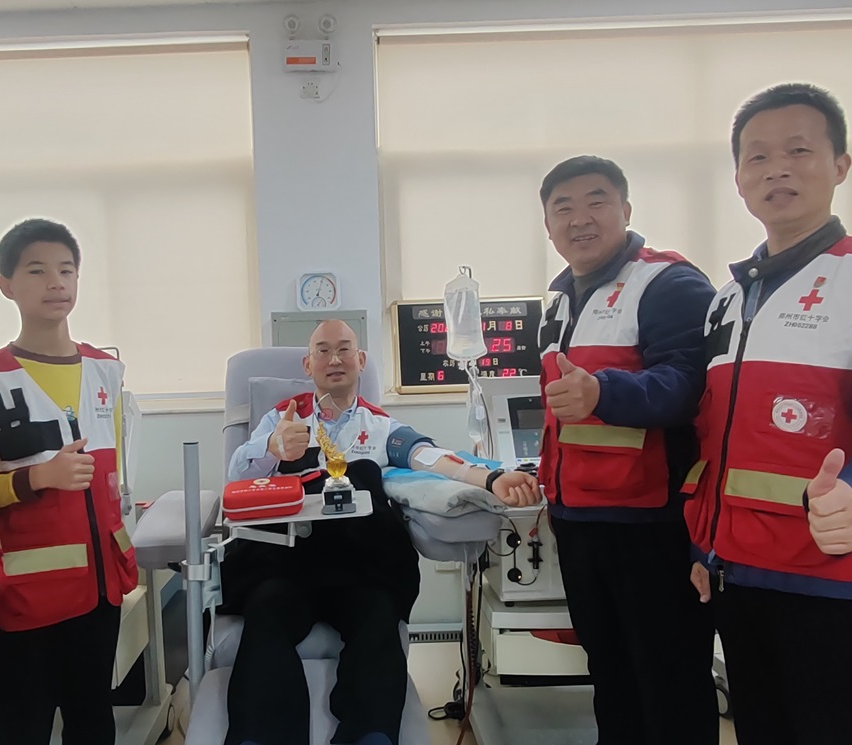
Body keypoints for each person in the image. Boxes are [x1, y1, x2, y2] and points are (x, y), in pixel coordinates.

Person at [685, 83, 852, 745]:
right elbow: (716, 442)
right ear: (739, 180)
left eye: (798, 150)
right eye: (757, 156)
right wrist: (704, 547)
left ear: (840, 165)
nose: (776, 168)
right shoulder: (728, 299)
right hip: (739, 575)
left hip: (837, 581)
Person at [223, 319, 541, 745]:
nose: (334, 359)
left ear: (360, 360)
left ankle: (370, 735)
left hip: (360, 570)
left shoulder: (380, 428)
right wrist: (271, 448)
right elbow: (238, 476)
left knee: (378, 619)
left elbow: (432, 458)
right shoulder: (282, 419)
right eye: (322, 350)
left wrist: (490, 478)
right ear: (308, 364)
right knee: (265, 613)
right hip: (287, 567)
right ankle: (261, 736)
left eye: (344, 349)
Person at [535, 155, 718, 745]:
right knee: (610, 675)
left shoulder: (667, 285)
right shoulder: (559, 302)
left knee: (669, 681)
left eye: (596, 201)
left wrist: (603, 392)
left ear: (626, 209)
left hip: (651, 523)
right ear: (548, 224)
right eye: (563, 207)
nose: (580, 219)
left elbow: (690, 386)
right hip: (579, 519)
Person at [0, 218, 136, 745]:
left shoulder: (106, 370)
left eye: (66, 270)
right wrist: (36, 478)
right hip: (22, 594)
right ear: (7, 285)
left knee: (94, 722)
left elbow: (112, 476)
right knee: (24, 727)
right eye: (37, 271)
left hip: (101, 586)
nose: (56, 282)